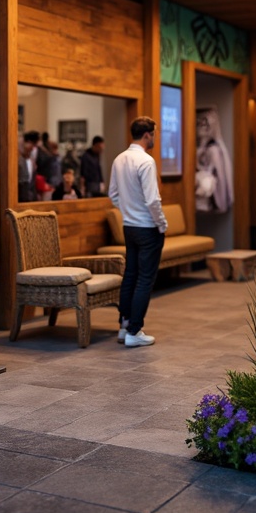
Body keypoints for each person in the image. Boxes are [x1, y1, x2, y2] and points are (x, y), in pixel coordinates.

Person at [108, 117, 167, 347]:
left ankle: (124, 326)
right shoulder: (146, 161)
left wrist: (127, 211)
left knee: (130, 276)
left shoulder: (119, 159)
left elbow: (112, 194)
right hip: (147, 228)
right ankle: (135, 330)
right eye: (154, 134)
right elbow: (153, 200)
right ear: (147, 135)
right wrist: (161, 224)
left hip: (129, 226)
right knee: (144, 279)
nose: (155, 138)